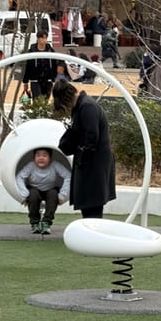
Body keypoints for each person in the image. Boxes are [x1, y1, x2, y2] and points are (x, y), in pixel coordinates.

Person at [54, 80, 116, 219]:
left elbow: (91, 137)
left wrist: (82, 158)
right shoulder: (83, 106)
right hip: (90, 161)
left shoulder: (87, 107)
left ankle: (93, 229)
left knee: (92, 203)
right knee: (88, 202)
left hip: (94, 163)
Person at [15, 147, 71, 234]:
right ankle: (35, 223)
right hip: (34, 189)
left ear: (50, 158)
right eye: (38, 155)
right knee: (32, 195)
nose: (41, 158)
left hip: (50, 189)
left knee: (53, 194)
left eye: (44, 155)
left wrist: (62, 194)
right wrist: (24, 194)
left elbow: (68, 176)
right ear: (34, 158)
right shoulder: (31, 165)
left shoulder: (55, 165)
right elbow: (19, 177)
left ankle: (46, 223)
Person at [22, 30, 57, 100]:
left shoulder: (50, 51)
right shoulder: (31, 51)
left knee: (45, 101)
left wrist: (53, 78)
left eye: (46, 38)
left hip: (48, 80)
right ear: (38, 38)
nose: (44, 40)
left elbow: (54, 65)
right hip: (35, 80)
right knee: (37, 100)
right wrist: (25, 81)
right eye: (42, 38)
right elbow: (28, 67)